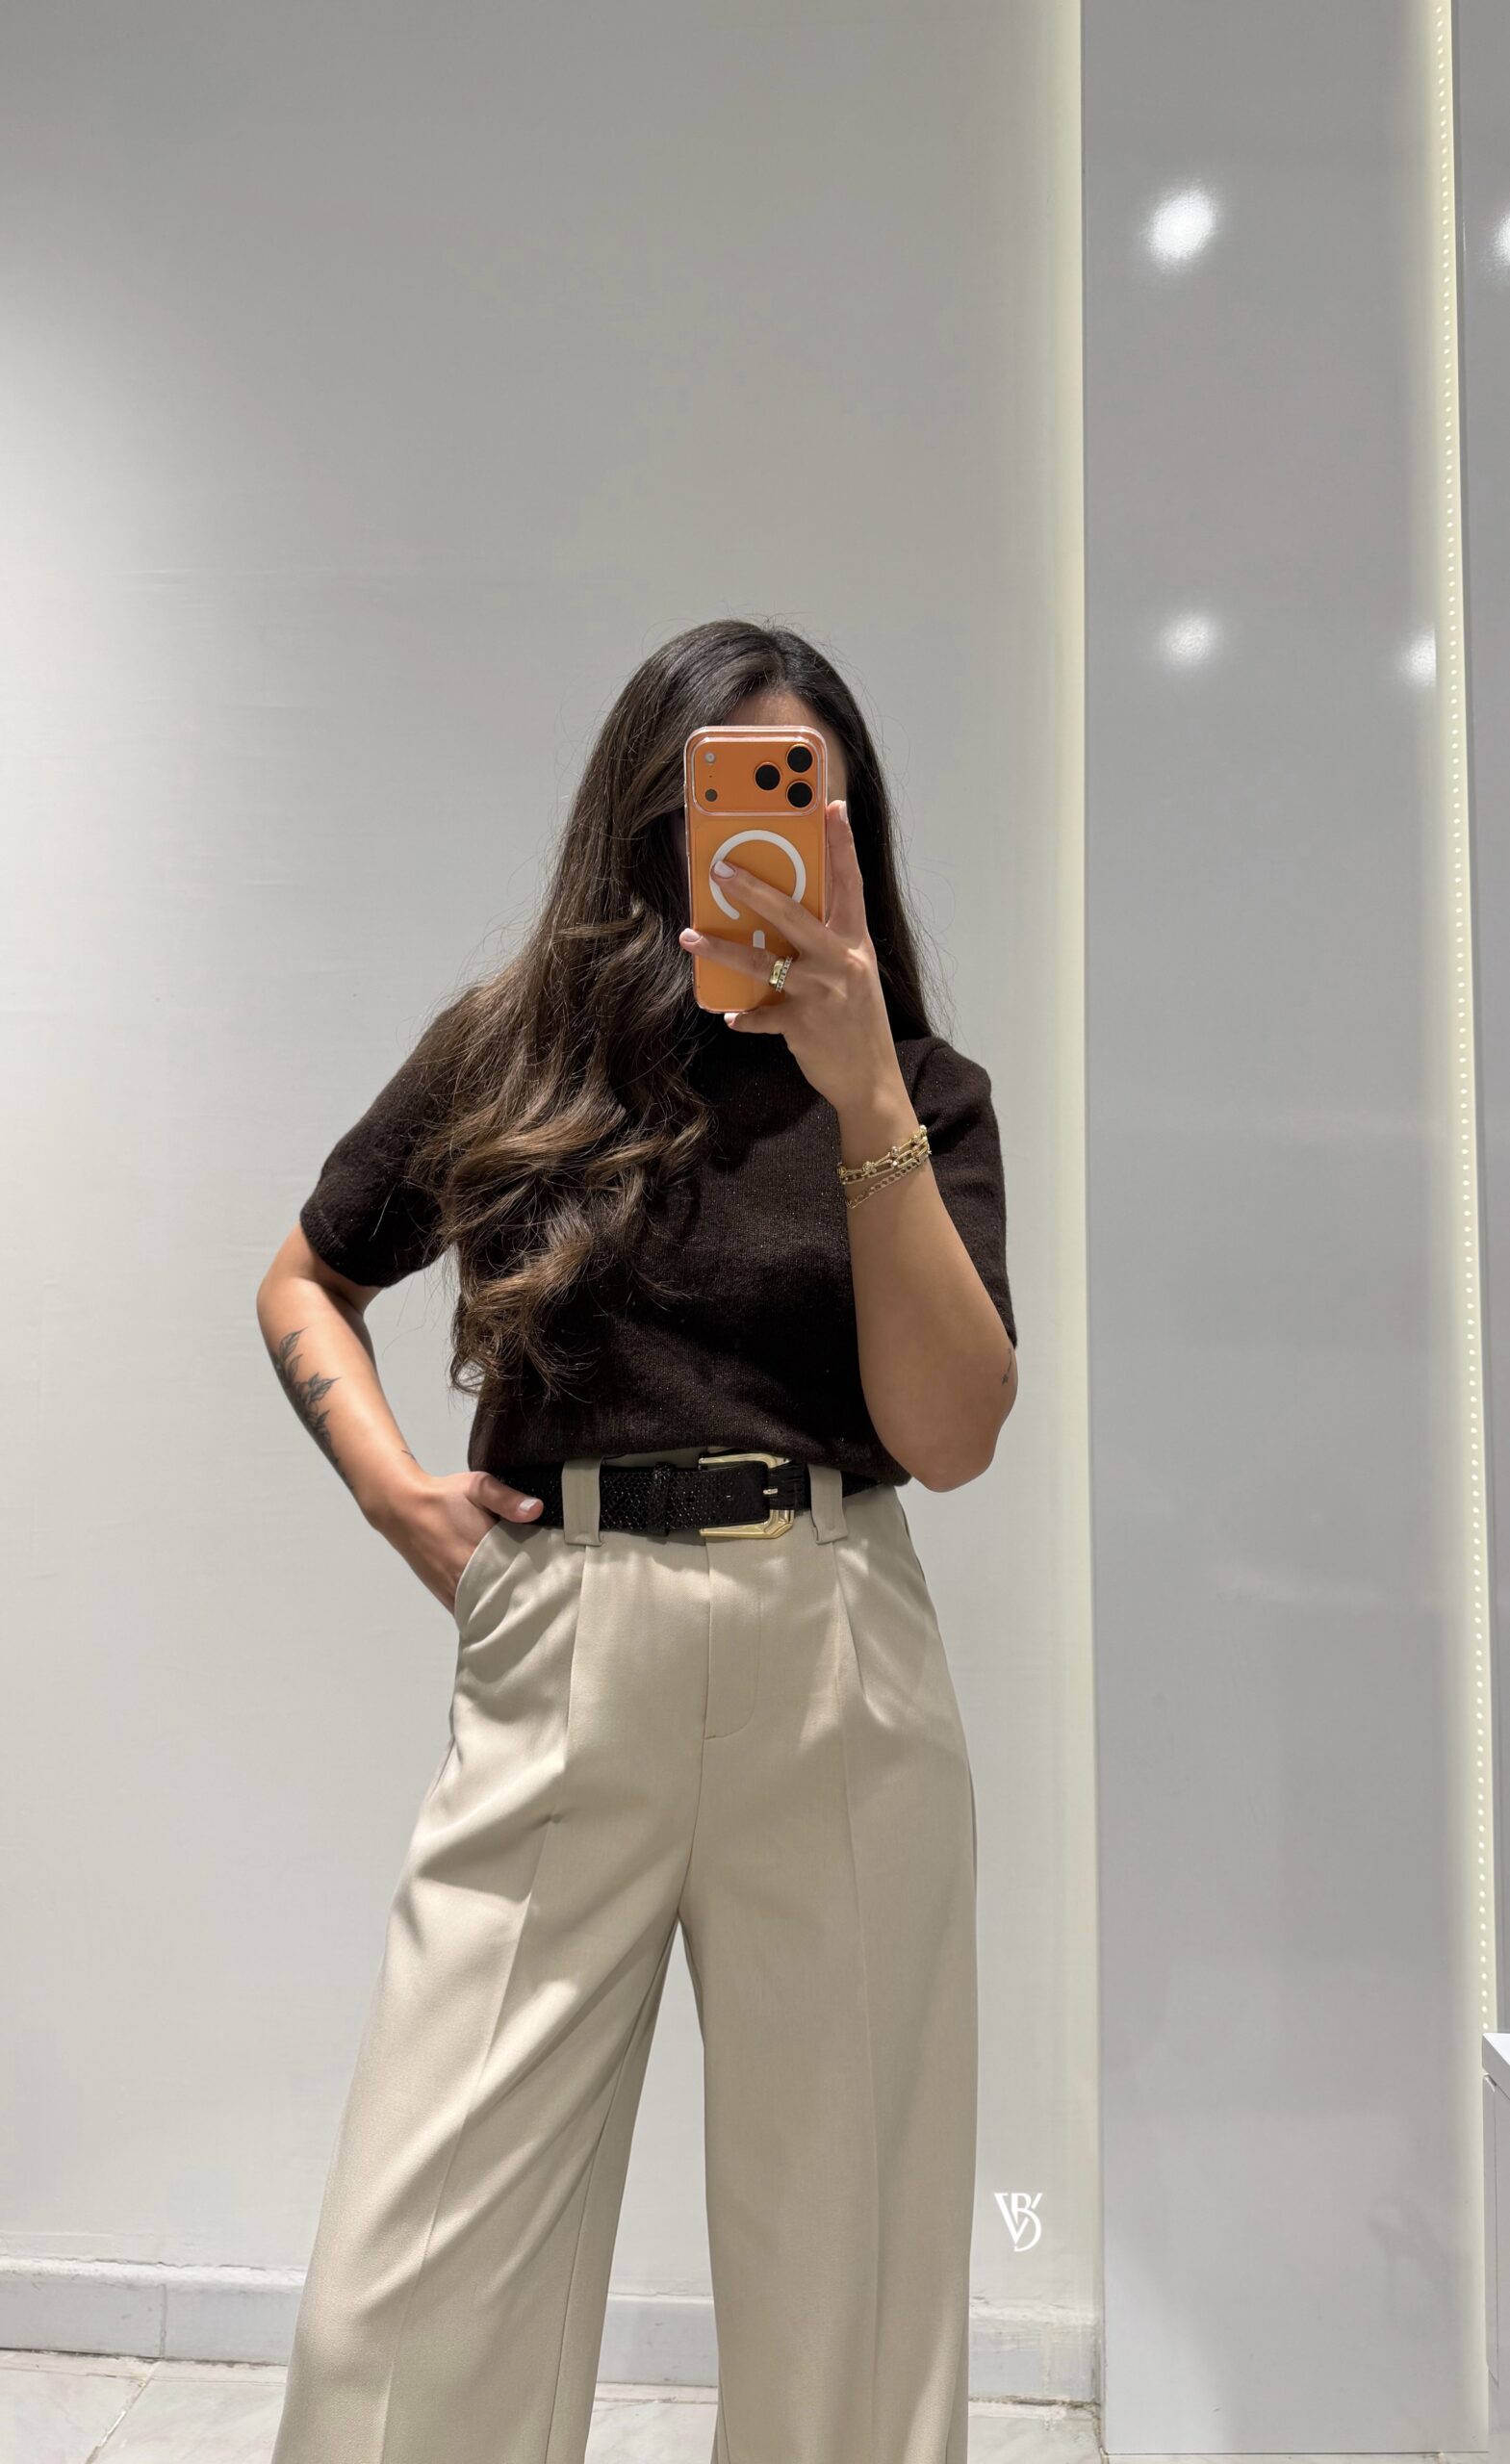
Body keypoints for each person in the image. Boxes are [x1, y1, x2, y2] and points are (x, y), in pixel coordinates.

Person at [256, 617, 1019, 2464]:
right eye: (728, 798)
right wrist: (390, 1487)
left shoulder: (920, 1094)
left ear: (851, 830)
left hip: (832, 1642)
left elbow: (950, 1437)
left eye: (806, 803)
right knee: (405, 2281)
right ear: (647, 816)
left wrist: (862, 1098)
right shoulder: (512, 1054)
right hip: (563, 1641)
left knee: (849, 2273)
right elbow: (306, 1278)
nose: (765, 840)